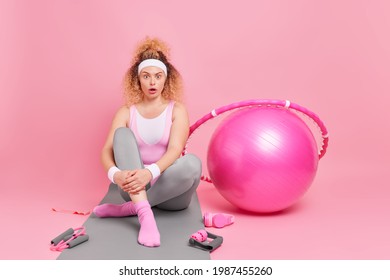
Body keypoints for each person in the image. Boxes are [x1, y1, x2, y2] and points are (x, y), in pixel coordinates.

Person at [92, 37, 202, 248]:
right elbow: (106, 151)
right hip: (133, 188)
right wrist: (116, 174)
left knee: (192, 164)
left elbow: (175, 149)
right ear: (137, 80)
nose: (152, 82)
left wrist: (149, 173)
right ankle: (145, 216)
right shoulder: (126, 112)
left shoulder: (177, 110)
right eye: (146, 76)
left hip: (174, 195)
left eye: (158, 76)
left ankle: (130, 210)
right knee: (122, 135)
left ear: (166, 79)